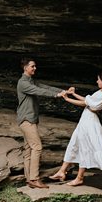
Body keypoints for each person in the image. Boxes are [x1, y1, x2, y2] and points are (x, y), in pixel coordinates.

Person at [49, 70, 102, 186]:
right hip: (86, 119)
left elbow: (84, 104)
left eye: (98, 79)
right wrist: (73, 94)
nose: (97, 81)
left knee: (85, 147)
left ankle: (80, 177)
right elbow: (87, 100)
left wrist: (67, 99)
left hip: (89, 122)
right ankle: (62, 171)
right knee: (74, 143)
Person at [16, 57, 70, 189]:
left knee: (28, 150)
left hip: (29, 120)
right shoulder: (23, 83)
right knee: (37, 147)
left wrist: (62, 92)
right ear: (25, 68)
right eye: (32, 66)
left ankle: (29, 180)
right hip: (26, 120)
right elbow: (39, 91)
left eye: (35, 66)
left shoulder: (32, 81)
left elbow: (45, 87)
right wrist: (55, 96)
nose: (35, 68)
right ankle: (34, 179)